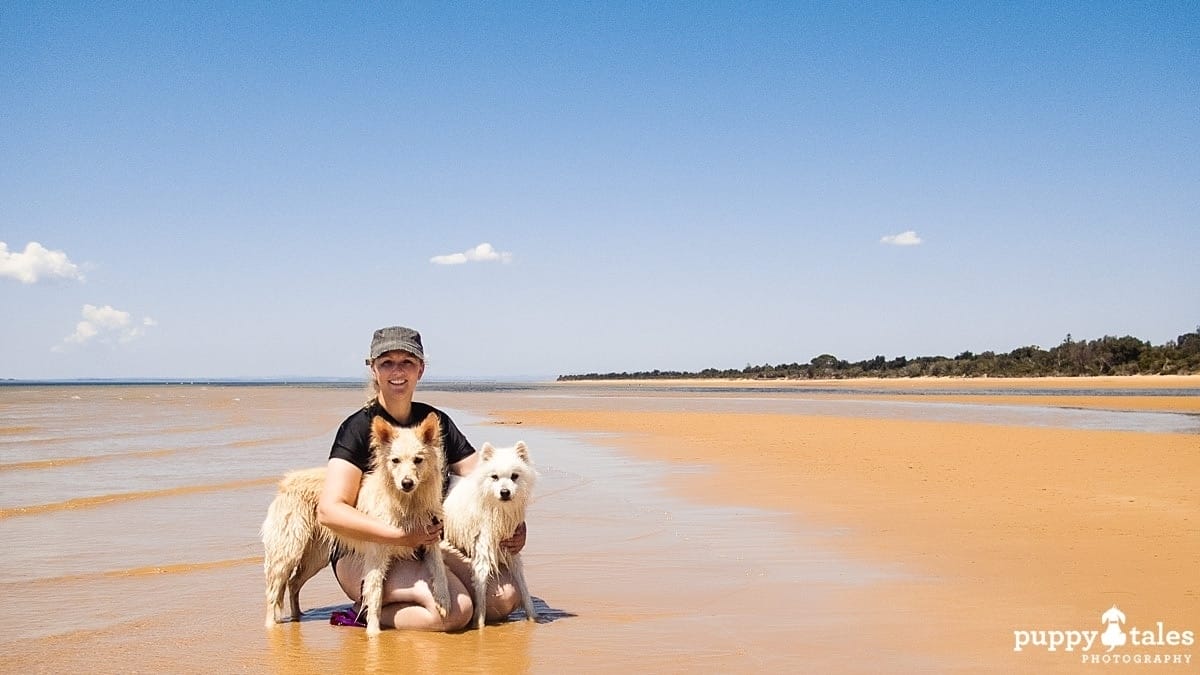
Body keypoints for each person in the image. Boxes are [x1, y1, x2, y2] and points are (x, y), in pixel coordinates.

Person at [316, 326, 528, 631]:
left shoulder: (435, 424)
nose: (397, 371)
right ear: (373, 369)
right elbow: (330, 510)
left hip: (424, 546)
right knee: (457, 613)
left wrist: (516, 522)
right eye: (387, 362)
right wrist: (400, 536)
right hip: (363, 552)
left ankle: (404, 603)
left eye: (407, 362)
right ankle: (363, 613)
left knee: (505, 598)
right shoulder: (359, 428)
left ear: (420, 369)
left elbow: (483, 479)